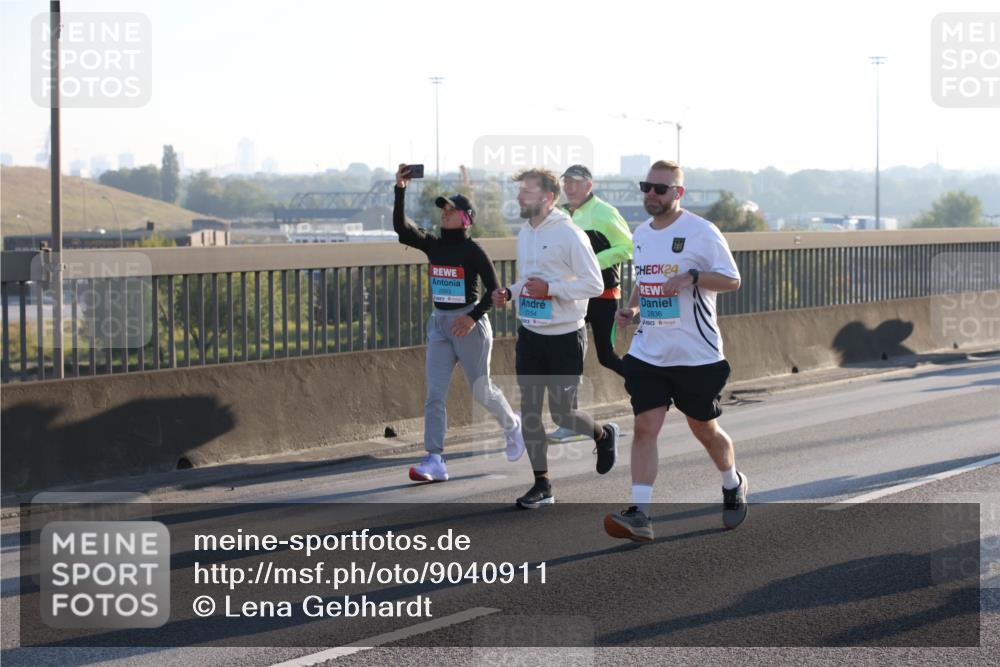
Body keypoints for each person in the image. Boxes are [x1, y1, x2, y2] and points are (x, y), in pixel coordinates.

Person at [603, 160, 745, 542]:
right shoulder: (641, 233)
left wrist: (692, 277)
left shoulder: (701, 232)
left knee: (704, 428)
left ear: (677, 193)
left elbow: (732, 279)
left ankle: (732, 483)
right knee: (645, 426)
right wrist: (631, 307)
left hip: (696, 354)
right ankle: (640, 513)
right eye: (646, 186)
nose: (651, 193)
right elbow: (644, 276)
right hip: (650, 351)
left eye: (660, 188)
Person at [492, 167, 620, 509]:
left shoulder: (570, 234)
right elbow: (532, 281)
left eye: (527, 192)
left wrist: (553, 290)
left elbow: (594, 285)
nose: (520, 197)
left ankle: (603, 434)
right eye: (520, 191)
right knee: (530, 411)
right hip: (531, 333)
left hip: (565, 335)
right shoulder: (525, 233)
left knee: (563, 415)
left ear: (548, 198)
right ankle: (542, 484)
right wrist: (510, 291)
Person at [393, 164, 523, 482]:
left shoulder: (473, 251)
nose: (444, 214)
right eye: (443, 210)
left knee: (481, 390)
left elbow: (495, 293)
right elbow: (401, 229)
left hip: (469, 326)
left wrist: (472, 316)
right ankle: (434, 459)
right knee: (435, 394)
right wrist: (400, 189)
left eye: (450, 210)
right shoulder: (434, 245)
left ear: (465, 218)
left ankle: (513, 425)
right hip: (439, 325)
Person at [547, 164, 633, 444]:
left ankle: (646, 384)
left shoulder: (605, 212)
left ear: (589, 185)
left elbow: (628, 246)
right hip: (574, 295)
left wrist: (593, 263)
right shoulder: (560, 215)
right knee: (567, 353)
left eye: (575, 182)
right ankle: (569, 419)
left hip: (604, 295)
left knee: (606, 356)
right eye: (566, 182)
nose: (569, 187)